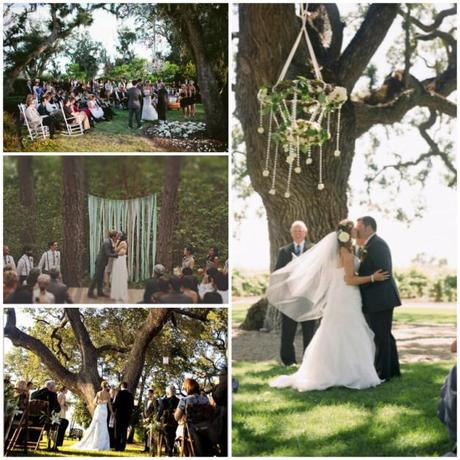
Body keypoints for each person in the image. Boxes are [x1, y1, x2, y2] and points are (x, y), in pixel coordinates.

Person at [268, 219, 390, 391]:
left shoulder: (338, 252)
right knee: (349, 331)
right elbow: (349, 279)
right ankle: (348, 372)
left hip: (339, 296)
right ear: (348, 234)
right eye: (354, 229)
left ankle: (336, 369)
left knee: (335, 331)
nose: (357, 231)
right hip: (347, 296)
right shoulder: (346, 253)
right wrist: (372, 278)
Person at [356, 216, 402, 381]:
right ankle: (393, 370)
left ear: (368, 228)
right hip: (377, 298)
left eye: (359, 227)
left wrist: (360, 282)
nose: (356, 230)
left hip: (380, 298)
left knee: (381, 336)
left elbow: (383, 273)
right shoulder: (368, 245)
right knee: (385, 336)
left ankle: (383, 373)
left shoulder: (378, 244)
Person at [274, 221, 317, 366]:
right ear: (291, 233)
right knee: (287, 331)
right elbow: (277, 273)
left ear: (305, 232)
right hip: (289, 297)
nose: (298, 233)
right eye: (295, 231)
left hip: (308, 297)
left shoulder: (314, 250)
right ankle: (288, 361)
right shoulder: (284, 251)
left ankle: (308, 360)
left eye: (300, 231)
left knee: (309, 331)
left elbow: (318, 272)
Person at [71, 381, 113, 451]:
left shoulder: (98, 393)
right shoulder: (108, 394)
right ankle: (102, 444)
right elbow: (109, 405)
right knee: (103, 426)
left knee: (96, 425)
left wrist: (99, 403)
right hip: (104, 411)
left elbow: (94, 402)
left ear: (102, 386)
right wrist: (112, 412)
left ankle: (95, 443)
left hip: (99, 410)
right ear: (106, 386)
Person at [88, 230, 118, 298]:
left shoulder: (109, 241)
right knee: (96, 277)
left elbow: (111, 250)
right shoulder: (107, 242)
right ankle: (90, 292)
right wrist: (116, 255)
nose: (117, 238)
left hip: (102, 263)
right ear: (113, 236)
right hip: (100, 262)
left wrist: (114, 251)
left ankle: (100, 292)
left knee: (100, 278)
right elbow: (108, 253)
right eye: (116, 237)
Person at [157, 386, 179, 457]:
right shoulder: (178, 400)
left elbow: (160, 412)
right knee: (172, 435)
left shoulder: (164, 401)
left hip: (166, 423)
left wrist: (157, 419)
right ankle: (171, 449)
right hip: (176, 424)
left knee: (166, 433)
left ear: (167, 392)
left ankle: (169, 451)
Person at [113, 382, 134, 451]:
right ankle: (122, 447)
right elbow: (132, 407)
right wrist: (129, 415)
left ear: (121, 386)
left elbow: (115, 404)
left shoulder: (119, 393)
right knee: (124, 432)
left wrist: (113, 411)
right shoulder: (130, 395)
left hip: (119, 415)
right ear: (127, 387)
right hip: (126, 416)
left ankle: (117, 447)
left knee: (118, 431)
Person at [110, 232, 129, 302]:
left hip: (120, 260)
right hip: (119, 260)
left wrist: (114, 244)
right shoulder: (121, 242)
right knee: (117, 276)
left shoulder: (122, 243)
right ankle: (117, 293)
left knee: (119, 276)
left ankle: (120, 294)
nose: (118, 237)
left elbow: (115, 250)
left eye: (119, 236)